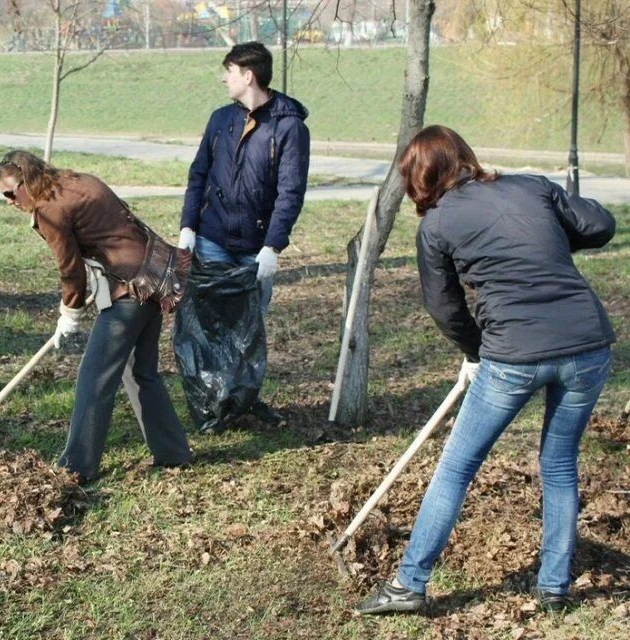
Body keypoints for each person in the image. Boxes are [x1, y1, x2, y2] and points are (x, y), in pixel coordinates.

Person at [354, 125, 616, 616]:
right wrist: (550, 229)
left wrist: (477, 351)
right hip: (587, 344)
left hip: (514, 354)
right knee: (559, 465)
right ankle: (554, 586)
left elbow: (443, 306)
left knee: (456, 467)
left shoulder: (435, 225)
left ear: (420, 179)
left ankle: (410, 584)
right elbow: (599, 224)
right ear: (464, 157)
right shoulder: (531, 186)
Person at [0, 150, 191, 483]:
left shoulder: (49, 209)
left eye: (12, 191)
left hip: (131, 288)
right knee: (140, 372)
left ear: (28, 179)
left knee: (93, 377)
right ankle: (172, 452)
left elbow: (70, 271)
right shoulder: (74, 181)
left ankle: (76, 467)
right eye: (4, 196)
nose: (10, 201)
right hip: (154, 277)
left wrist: (68, 313)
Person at [178, 41, 310, 425]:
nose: (224, 77)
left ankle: (238, 404)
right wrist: (188, 226)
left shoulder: (289, 127)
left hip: (255, 251)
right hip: (212, 239)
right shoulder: (220, 120)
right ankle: (213, 404)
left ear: (248, 75)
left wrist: (273, 246)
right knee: (210, 326)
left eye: (229, 71)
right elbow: (198, 174)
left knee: (246, 331)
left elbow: (290, 193)